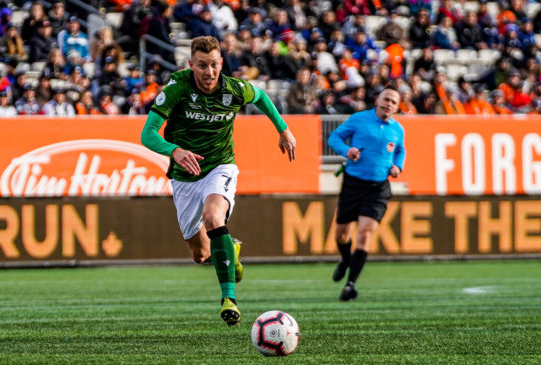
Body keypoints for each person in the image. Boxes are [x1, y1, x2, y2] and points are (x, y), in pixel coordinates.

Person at [141, 36, 296, 326]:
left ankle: (229, 299)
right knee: (200, 254)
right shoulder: (177, 89)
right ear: (191, 65)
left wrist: (283, 129)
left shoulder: (234, 89)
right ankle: (229, 249)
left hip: (219, 166)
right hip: (184, 175)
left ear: (221, 63)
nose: (209, 72)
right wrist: (174, 150)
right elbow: (147, 134)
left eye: (214, 65)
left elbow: (261, 97)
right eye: (202, 66)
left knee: (213, 216)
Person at [327, 87, 406, 301]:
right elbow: (334, 137)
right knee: (341, 234)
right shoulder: (359, 119)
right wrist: (347, 151)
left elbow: (400, 150)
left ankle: (350, 284)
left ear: (397, 107)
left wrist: (398, 166)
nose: (389, 104)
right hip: (353, 183)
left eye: (394, 102)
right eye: (386, 99)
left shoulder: (397, 129)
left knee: (364, 233)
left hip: (378, 188)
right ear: (378, 100)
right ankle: (345, 260)